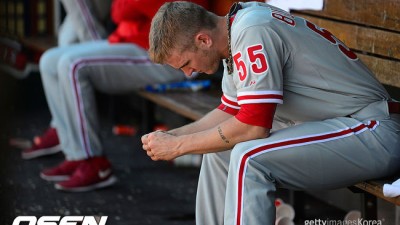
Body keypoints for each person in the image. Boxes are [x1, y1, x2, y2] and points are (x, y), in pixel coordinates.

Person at [142, 2, 400, 225]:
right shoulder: (236, 30)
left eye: (186, 63)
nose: (188, 73)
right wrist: (172, 135)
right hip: (340, 127)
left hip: (375, 129)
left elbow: (254, 126)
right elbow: (230, 111)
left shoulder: (252, 30)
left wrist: (178, 146)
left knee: (248, 157)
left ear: (203, 40)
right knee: (218, 150)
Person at [21, 0, 210, 192]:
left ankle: (93, 162)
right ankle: (75, 155)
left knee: (73, 65)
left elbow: (154, 11)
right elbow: (118, 10)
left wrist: (130, 8)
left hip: (171, 58)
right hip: (135, 44)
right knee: (49, 60)